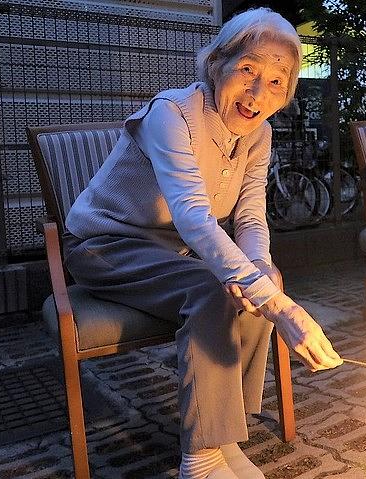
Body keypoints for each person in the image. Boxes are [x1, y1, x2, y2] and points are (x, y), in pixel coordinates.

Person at [64, 8, 342, 479]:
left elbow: (250, 214)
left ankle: (226, 438)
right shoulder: (171, 114)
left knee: (252, 288)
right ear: (217, 63)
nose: (258, 93)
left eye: (278, 80)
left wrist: (262, 268)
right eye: (249, 69)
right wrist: (281, 307)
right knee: (220, 289)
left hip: (172, 253)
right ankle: (202, 459)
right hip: (104, 245)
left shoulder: (260, 133)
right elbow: (194, 215)